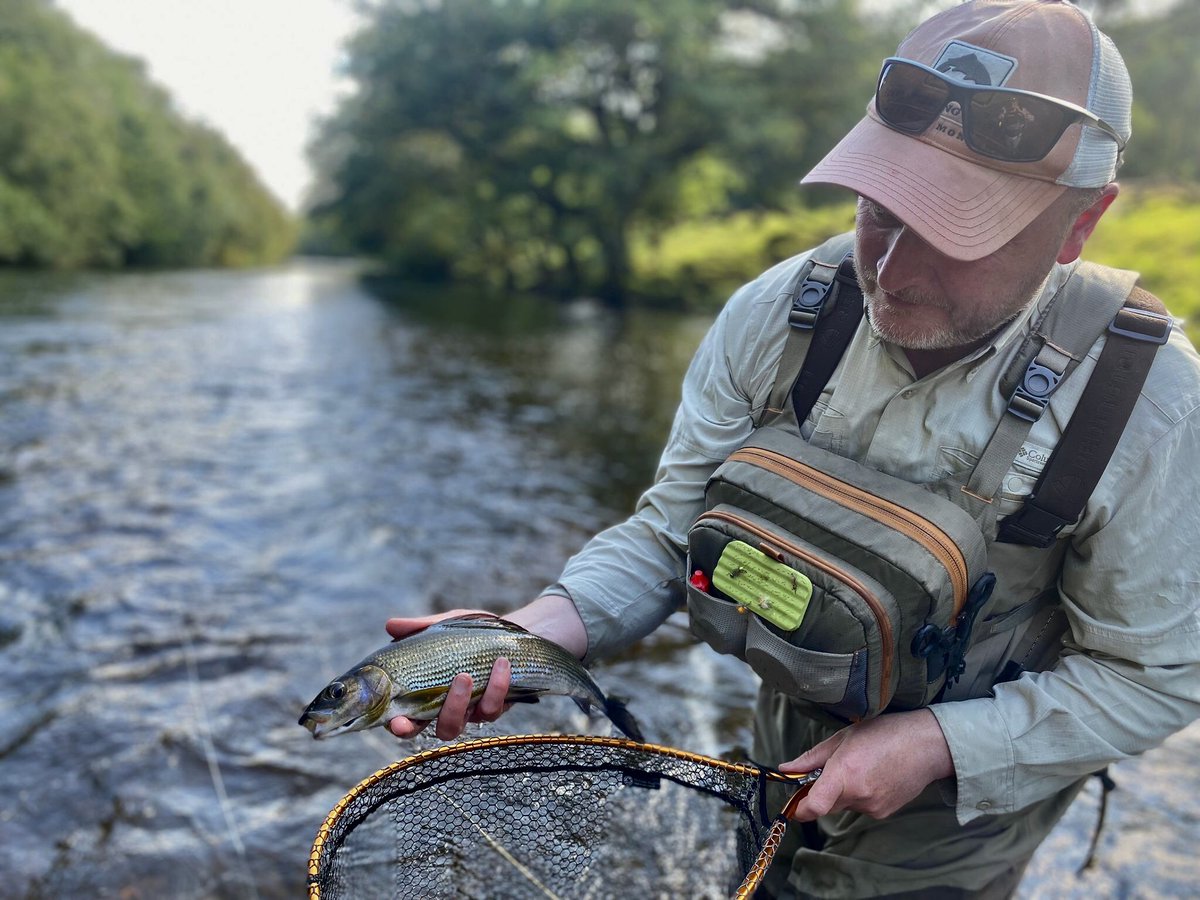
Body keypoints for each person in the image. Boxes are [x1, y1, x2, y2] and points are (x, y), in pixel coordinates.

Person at [384, 2, 1200, 897]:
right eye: (880, 211)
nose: (889, 273)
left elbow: (1154, 677)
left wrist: (933, 745)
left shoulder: (1151, 405)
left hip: (969, 792)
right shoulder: (783, 310)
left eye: (956, 233)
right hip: (794, 707)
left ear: (1080, 224)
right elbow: (671, 532)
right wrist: (536, 630)